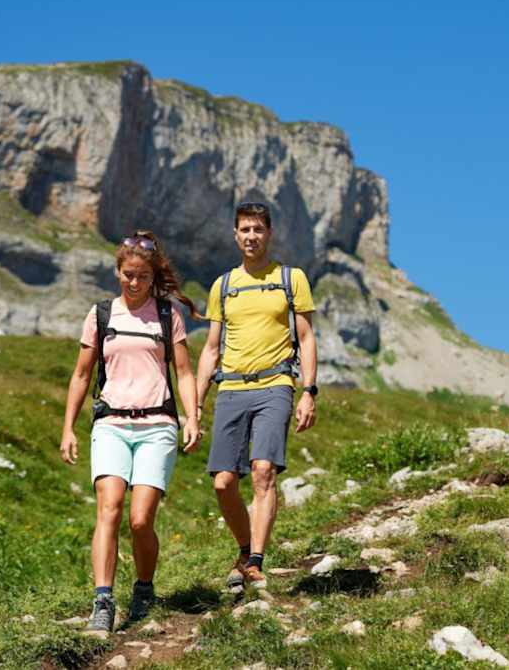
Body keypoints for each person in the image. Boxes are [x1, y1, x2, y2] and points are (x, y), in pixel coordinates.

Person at [60, 230, 202, 634]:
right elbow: (82, 374)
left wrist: (192, 417)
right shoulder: (101, 315)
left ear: (153, 276)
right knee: (109, 508)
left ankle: (144, 588)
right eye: (128, 275)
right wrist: (68, 427)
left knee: (140, 520)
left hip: (157, 426)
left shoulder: (167, 316)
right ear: (117, 272)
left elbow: (184, 372)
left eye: (142, 276)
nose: (134, 283)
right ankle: (103, 602)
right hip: (111, 425)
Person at [195, 201, 318, 591]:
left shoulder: (290, 278)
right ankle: (245, 549)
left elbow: (306, 338)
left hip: (275, 385)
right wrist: (195, 406)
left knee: (264, 471)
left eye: (258, 229)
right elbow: (211, 348)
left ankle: (256, 562)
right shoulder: (223, 286)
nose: (251, 236)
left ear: (269, 233)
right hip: (231, 388)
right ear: (235, 235)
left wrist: (309, 391)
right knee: (223, 482)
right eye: (245, 230)